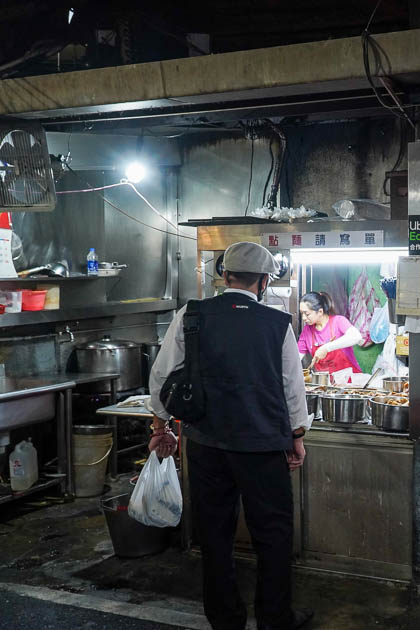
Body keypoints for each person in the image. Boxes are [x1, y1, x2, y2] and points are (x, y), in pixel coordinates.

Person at [148, 241, 312, 630]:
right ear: (264, 281)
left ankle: (225, 620)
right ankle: (275, 619)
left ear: (224, 275)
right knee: (272, 535)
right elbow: (293, 387)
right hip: (262, 446)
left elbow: (161, 375)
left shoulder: (193, 314)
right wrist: (297, 436)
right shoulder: (277, 323)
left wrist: (161, 425)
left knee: (215, 534)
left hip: (207, 444)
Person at [297, 291, 363, 376]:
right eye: (302, 313)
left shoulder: (338, 321)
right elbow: (297, 357)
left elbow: (356, 336)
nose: (303, 318)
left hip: (351, 383)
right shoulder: (307, 331)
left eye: (307, 314)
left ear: (320, 312)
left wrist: (326, 348)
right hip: (326, 384)